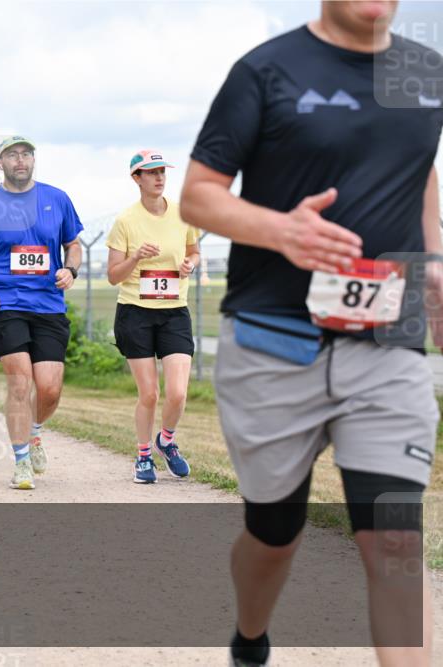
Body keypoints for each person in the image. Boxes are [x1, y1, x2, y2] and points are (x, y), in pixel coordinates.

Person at [180, 2, 443, 665]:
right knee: (275, 532)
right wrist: (282, 231)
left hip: (389, 343)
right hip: (274, 342)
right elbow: (198, 195)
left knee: (395, 544)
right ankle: (250, 636)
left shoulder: (425, 73)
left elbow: (416, 170)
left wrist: (434, 260)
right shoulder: (267, 71)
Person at [0, 136, 83, 490]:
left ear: (33, 160)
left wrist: (71, 270)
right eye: (12, 155)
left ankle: (34, 431)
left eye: (26, 154)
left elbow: (73, 244)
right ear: (1, 163)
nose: (20, 160)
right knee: (21, 381)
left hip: (48, 304)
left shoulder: (57, 199)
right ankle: (21, 460)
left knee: (50, 388)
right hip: (3, 304)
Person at [107, 150, 199, 484]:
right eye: (151, 172)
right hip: (136, 313)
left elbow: (194, 252)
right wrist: (134, 258)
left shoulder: (183, 214)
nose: (159, 178)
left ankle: (167, 441)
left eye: (162, 171)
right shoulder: (126, 221)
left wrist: (191, 265)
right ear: (137, 179)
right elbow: (114, 276)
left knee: (177, 393)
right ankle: (144, 456)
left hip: (174, 312)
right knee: (149, 394)